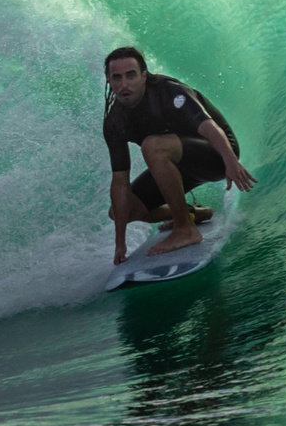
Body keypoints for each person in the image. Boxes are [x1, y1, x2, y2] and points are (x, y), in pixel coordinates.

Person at [103, 45, 254, 264]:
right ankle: (191, 213)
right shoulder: (115, 121)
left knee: (152, 146)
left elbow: (208, 126)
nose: (124, 84)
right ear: (109, 81)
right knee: (121, 211)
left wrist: (230, 160)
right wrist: (120, 244)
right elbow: (120, 184)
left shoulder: (169, 91)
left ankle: (185, 229)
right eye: (117, 78)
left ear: (144, 76)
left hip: (216, 154)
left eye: (130, 75)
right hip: (176, 165)